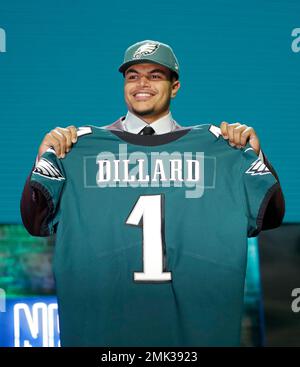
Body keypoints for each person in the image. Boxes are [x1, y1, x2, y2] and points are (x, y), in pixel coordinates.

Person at [20, 40, 285, 346]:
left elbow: (272, 216)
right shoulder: (77, 148)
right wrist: (43, 158)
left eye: (155, 75)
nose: (141, 83)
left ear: (175, 87)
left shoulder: (221, 149)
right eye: (133, 76)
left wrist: (254, 154)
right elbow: (35, 221)